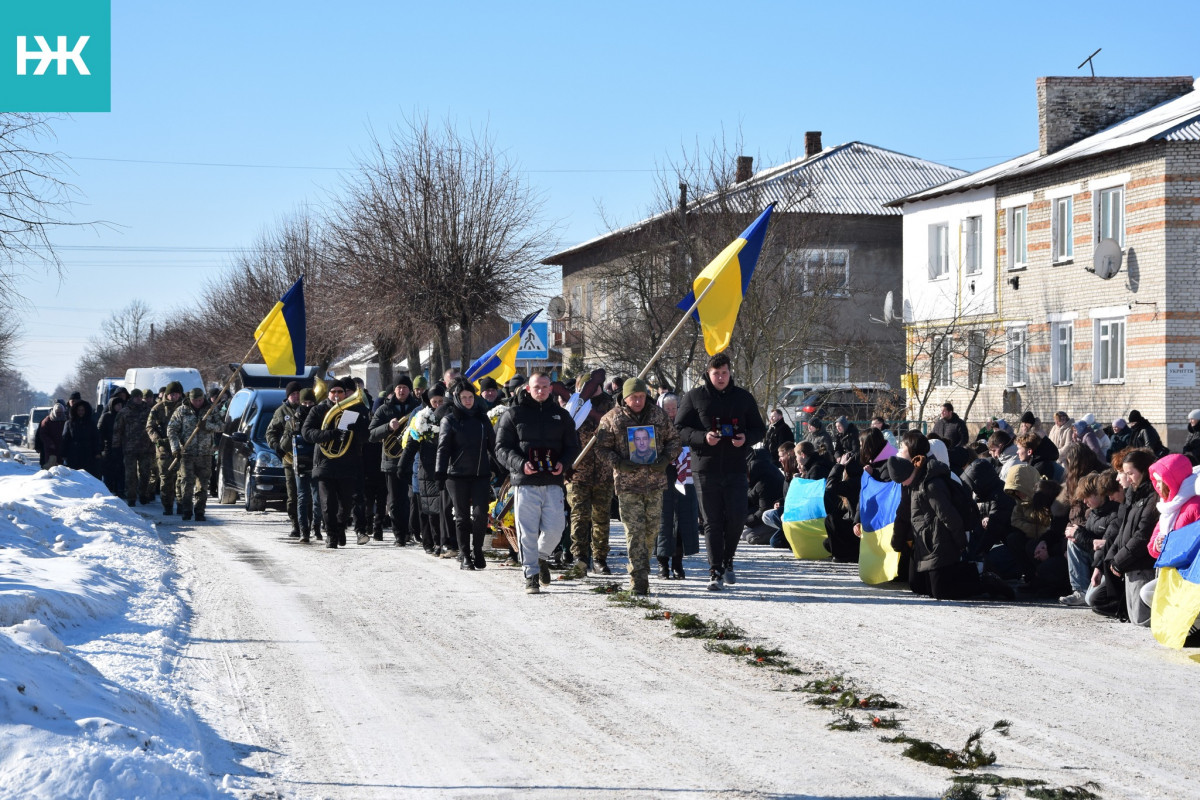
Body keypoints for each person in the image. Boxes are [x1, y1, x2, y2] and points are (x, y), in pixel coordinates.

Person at [675, 352, 766, 591]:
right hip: (706, 467)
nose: (721, 377)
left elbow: (760, 429)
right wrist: (703, 437)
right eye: (716, 373)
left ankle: (728, 560)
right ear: (708, 374)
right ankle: (714, 570)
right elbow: (680, 429)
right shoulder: (694, 397)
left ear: (729, 372)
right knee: (712, 521)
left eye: (725, 372)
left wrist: (746, 438)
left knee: (736, 519)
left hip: (736, 467)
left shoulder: (743, 397)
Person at [891, 436, 1012, 600]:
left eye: (903, 448)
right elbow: (904, 513)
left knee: (942, 591)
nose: (902, 485)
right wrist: (897, 541)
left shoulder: (931, 483)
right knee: (918, 586)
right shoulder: (912, 482)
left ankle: (983, 577)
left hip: (940, 542)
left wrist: (961, 544)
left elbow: (948, 516)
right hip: (925, 542)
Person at [494, 371, 580, 594]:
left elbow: (573, 446)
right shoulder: (514, 415)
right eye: (536, 387)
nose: (540, 391)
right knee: (527, 531)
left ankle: (541, 556)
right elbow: (501, 448)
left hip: (553, 481)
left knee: (556, 529)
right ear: (527, 389)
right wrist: (521, 464)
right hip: (525, 482)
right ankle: (531, 574)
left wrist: (564, 463)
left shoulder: (561, 416)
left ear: (551, 388)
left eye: (544, 386)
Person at [596, 377, 681, 594]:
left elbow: (675, 441)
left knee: (651, 531)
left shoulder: (658, 415)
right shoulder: (611, 418)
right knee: (634, 532)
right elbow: (601, 448)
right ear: (625, 397)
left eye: (642, 396)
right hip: (627, 485)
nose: (638, 401)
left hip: (655, 482)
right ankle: (639, 577)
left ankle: (643, 565)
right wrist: (619, 463)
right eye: (634, 397)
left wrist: (665, 459)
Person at [1088, 448, 1159, 625]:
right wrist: (1109, 560)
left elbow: (1142, 535)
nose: (1125, 478)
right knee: (1135, 617)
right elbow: (1121, 532)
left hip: (1141, 564)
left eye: (1130, 473)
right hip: (1128, 564)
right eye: (1124, 473)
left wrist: (1119, 560)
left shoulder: (1151, 498)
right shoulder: (1133, 496)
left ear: (1143, 471)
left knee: (1142, 619)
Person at [302, 378, 370, 549]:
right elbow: (307, 432)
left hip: (347, 464)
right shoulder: (318, 410)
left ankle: (340, 528)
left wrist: (353, 431)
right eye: (334, 392)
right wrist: (331, 434)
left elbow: (365, 436)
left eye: (340, 392)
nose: (337, 395)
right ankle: (331, 535)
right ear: (329, 394)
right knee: (327, 503)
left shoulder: (353, 410)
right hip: (325, 464)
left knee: (346, 504)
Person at [436, 379, 497, 571]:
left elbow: (493, 446)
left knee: (480, 516)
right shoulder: (449, 419)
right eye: (464, 397)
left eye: (471, 397)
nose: (468, 401)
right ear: (457, 398)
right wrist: (439, 472)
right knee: (461, 517)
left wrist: (504, 466)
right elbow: (443, 448)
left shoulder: (482, 418)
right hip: (456, 476)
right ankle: (464, 555)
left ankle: (477, 550)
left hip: (480, 474)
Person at [566, 380, 615, 576]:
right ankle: (580, 557)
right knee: (579, 516)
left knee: (601, 518)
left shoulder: (610, 407)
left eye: (596, 385)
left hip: (604, 472)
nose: (593, 389)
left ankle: (600, 559)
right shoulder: (574, 406)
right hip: (578, 472)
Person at [400, 384, 454, 555]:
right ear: (429, 402)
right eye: (434, 401)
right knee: (429, 508)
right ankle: (431, 541)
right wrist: (403, 463)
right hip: (426, 468)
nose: (438, 404)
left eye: (440, 401)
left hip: (445, 468)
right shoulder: (422, 418)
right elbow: (411, 442)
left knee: (443, 508)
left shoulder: (450, 415)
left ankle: (444, 542)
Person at [369, 377, 421, 546]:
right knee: (395, 501)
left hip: (413, 460)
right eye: (399, 387)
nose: (401, 391)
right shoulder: (384, 409)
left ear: (410, 390)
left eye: (405, 387)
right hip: (392, 461)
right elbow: (371, 434)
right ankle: (400, 535)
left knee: (413, 500)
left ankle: (412, 532)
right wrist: (388, 428)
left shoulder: (417, 408)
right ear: (394, 389)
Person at [1060, 470, 1120, 606]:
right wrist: (1076, 533)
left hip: (1107, 562)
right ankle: (1079, 590)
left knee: (1092, 599)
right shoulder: (1092, 513)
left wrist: (1080, 535)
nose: (1085, 501)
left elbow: (1105, 545)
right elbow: (1089, 537)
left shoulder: (1115, 513)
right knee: (1073, 542)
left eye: (1087, 496)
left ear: (1100, 494)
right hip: (1095, 558)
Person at [656, 392, 698, 579]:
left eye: (674, 408)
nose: (671, 412)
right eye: (668, 409)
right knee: (662, 520)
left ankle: (678, 563)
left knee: (682, 520)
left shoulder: (686, 426)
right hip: (663, 477)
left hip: (684, 477)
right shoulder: (656, 427)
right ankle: (662, 564)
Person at [166, 388, 223, 522]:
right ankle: (186, 510)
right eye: (195, 400)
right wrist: (175, 448)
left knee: (202, 485)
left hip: (205, 454)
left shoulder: (211, 409)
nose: (198, 403)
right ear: (190, 399)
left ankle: (200, 511)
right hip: (187, 453)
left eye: (200, 400)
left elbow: (221, 426)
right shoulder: (182, 411)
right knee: (187, 484)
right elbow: (171, 430)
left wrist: (207, 425)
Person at [266, 381, 305, 538]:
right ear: (288, 396)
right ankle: (296, 524)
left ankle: (308, 523)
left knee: (307, 494)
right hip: (289, 460)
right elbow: (270, 432)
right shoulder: (281, 412)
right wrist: (276, 447)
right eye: (293, 394)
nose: (296, 397)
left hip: (307, 458)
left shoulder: (307, 408)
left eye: (298, 393)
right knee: (293, 494)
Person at [286, 389, 321, 542]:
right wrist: (290, 435)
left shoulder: (320, 417)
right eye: (304, 403)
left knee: (317, 497)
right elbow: (284, 443)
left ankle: (317, 528)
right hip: (300, 462)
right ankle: (303, 531)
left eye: (310, 403)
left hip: (317, 461)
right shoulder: (293, 419)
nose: (307, 406)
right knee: (302, 497)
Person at [146, 381, 185, 515]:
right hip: (164, 448)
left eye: (177, 394)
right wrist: (158, 440)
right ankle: (167, 505)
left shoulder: (185, 408)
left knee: (182, 478)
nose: (174, 397)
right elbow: (150, 427)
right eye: (171, 394)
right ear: (167, 395)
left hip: (181, 447)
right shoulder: (157, 409)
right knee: (166, 478)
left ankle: (181, 504)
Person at [113, 390, 154, 506]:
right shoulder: (124, 412)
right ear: (132, 398)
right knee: (130, 475)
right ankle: (131, 497)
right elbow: (117, 431)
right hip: (129, 449)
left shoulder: (149, 411)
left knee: (145, 474)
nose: (138, 399)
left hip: (146, 448)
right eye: (136, 397)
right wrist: (116, 446)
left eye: (140, 397)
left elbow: (154, 427)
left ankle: (143, 494)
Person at [61, 400, 100, 477]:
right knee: (75, 476)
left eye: (82, 410)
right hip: (73, 455)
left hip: (88, 454)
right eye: (79, 410)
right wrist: (63, 454)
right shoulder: (69, 423)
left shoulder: (91, 423)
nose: (81, 412)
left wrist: (97, 452)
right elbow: (65, 439)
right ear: (75, 411)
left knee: (88, 476)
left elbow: (96, 438)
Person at [96, 396, 125, 497]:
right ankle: (108, 490)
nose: (119, 407)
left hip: (122, 447)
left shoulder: (124, 416)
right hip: (109, 447)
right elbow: (100, 433)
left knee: (121, 470)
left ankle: (120, 490)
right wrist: (100, 448)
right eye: (117, 405)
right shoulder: (106, 417)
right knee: (108, 470)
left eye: (121, 405)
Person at [35, 401, 67, 469]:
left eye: (61, 413)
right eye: (58, 412)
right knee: (50, 465)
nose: (59, 414)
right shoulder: (47, 421)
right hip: (51, 449)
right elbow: (43, 434)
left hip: (62, 448)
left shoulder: (65, 420)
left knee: (61, 467)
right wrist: (50, 443)